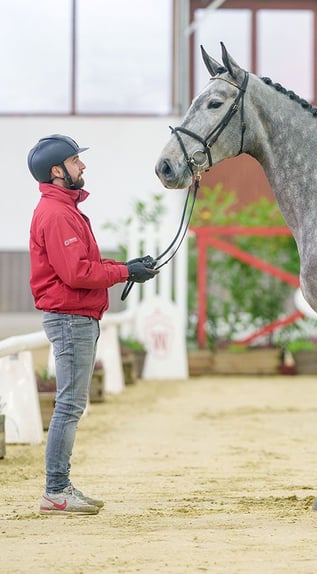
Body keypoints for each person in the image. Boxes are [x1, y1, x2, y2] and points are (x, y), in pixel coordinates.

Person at [27, 134, 159, 515]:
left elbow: (82, 266)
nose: (82, 166)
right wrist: (124, 272)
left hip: (76, 315)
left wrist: (127, 267)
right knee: (69, 404)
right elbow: (76, 272)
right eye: (74, 161)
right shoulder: (56, 213)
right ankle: (55, 490)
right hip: (71, 316)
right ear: (57, 171)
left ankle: (61, 485)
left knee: (72, 403)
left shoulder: (63, 209)